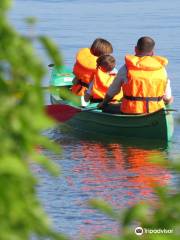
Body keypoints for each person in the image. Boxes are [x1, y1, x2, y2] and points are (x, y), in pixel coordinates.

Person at [98, 36, 173, 114]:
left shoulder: (126, 68)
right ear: (152, 52)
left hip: (131, 111)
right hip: (155, 111)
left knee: (106, 107)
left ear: (135, 49)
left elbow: (112, 91)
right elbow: (167, 98)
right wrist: (168, 100)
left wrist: (103, 103)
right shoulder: (161, 69)